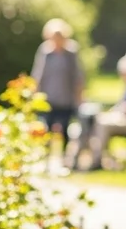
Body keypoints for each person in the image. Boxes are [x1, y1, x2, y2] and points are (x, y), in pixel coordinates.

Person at [30, 18, 85, 160]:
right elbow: (38, 74)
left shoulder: (71, 52)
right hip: (48, 97)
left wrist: (79, 96)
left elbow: (78, 76)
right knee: (46, 128)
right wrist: (34, 93)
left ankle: (64, 158)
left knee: (65, 129)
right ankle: (46, 158)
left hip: (66, 97)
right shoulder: (45, 51)